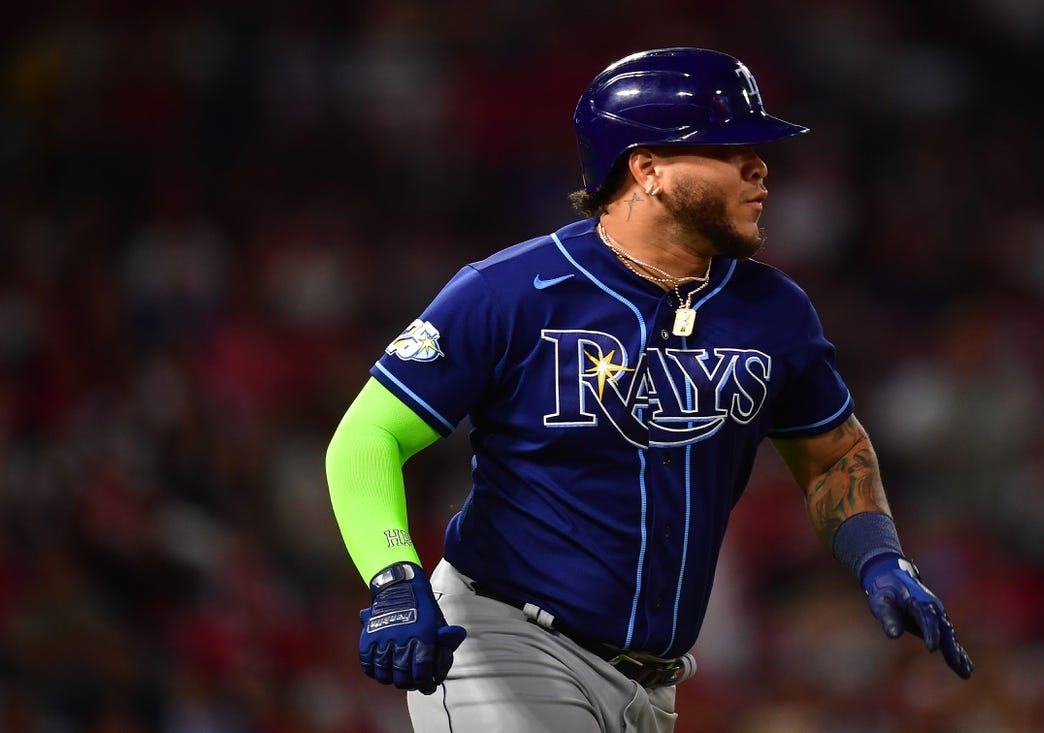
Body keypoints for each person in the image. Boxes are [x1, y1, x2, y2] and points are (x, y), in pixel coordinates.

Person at [325, 47, 972, 732]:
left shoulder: (774, 311)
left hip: (654, 684)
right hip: (504, 641)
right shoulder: (510, 291)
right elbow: (367, 436)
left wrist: (879, 557)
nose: (761, 169)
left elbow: (834, 453)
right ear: (647, 168)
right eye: (730, 148)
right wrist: (395, 576)